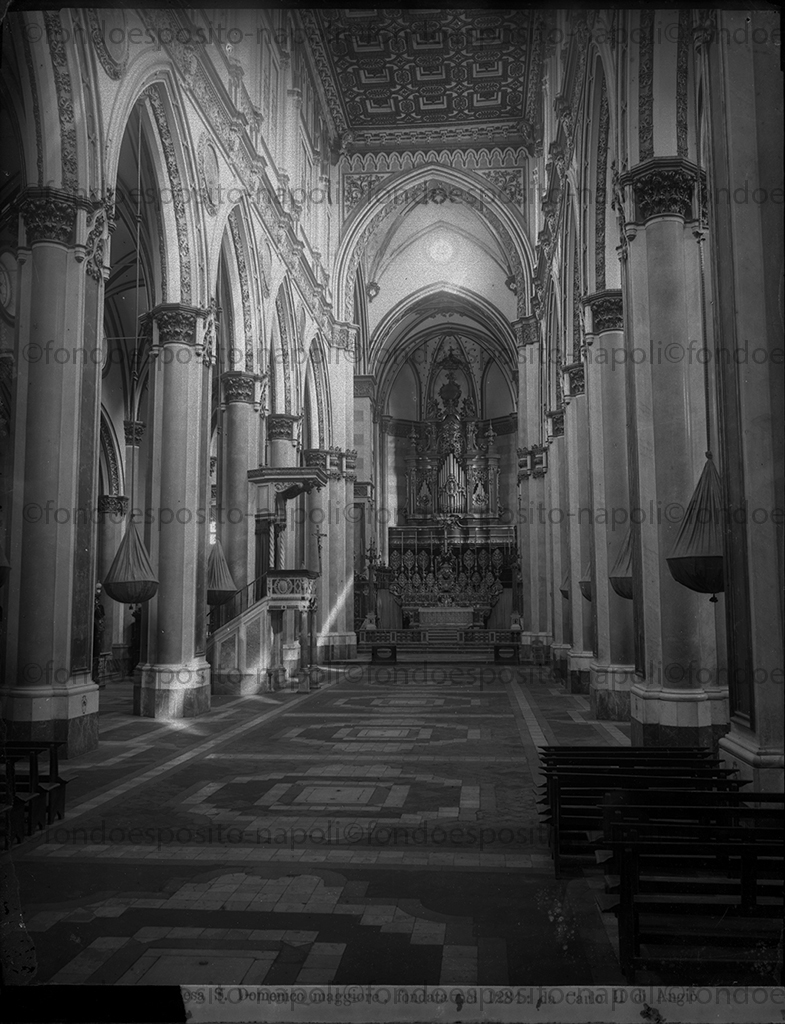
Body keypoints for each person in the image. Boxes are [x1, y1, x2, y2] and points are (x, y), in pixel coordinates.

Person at [92, 584, 105, 684]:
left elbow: (101, 617)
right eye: (97, 589)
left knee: (97, 653)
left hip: (97, 632)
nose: (99, 591)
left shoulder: (100, 607)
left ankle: (95, 676)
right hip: (94, 630)